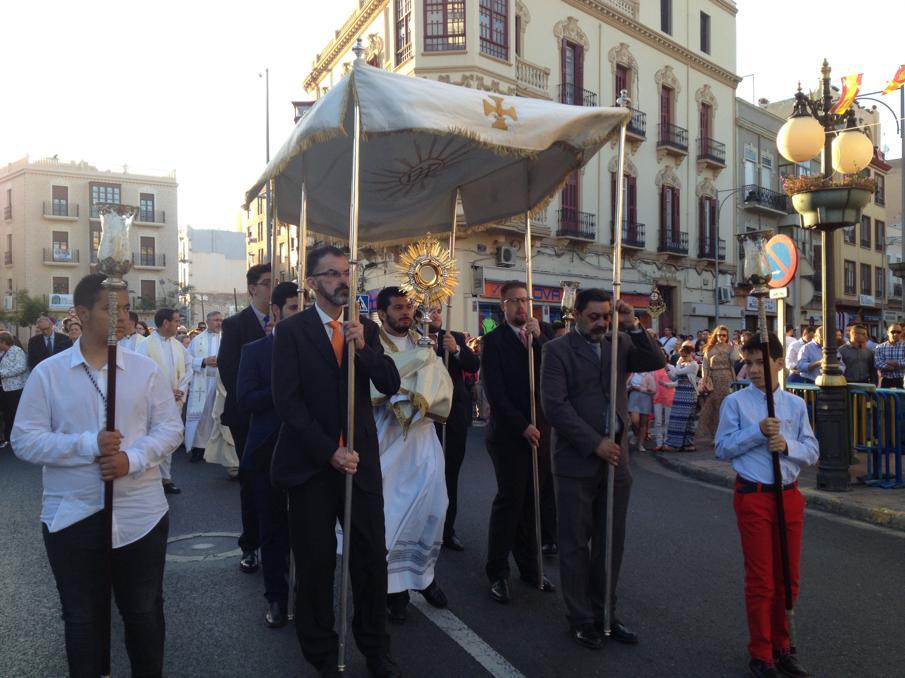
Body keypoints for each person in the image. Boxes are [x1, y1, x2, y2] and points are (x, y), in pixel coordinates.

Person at [12, 273, 183, 678]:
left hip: (141, 515)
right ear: (82, 313)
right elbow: (24, 439)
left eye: (126, 309)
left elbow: (170, 428)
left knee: (144, 613)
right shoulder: (49, 374)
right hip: (72, 516)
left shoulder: (144, 371)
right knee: (82, 618)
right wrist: (88, 445)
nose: (123, 317)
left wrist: (132, 459)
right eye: (112, 309)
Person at [270, 246, 401, 678]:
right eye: (331, 274)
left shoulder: (364, 328)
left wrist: (364, 348)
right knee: (316, 562)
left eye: (346, 272)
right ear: (311, 283)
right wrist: (329, 450)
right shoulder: (292, 332)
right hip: (312, 465)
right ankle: (322, 654)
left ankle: (375, 648)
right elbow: (287, 403)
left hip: (360, 463)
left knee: (371, 559)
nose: (343, 279)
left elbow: (389, 382)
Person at [540, 289, 664, 650]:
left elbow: (654, 360)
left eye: (607, 317)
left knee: (611, 542)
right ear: (577, 314)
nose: (602, 324)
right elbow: (555, 406)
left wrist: (633, 323)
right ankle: (580, 618)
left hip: (616, 461)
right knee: (575, 543)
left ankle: (605, 612)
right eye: (594, 317)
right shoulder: (557, 350)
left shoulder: (619, 342)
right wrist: (594, 442)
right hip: (576, 460)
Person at [715, 332, 818, 678]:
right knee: (762, 580)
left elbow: (811, 451)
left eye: (761, 362)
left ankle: (782, 645)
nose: (754, 369)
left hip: (788, 496)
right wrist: (756, 432)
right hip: (754, 495)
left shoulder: (795, 405)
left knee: (789, 578)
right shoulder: (736, 403)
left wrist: (786, 446)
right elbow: (722, 448)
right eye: (749, 362)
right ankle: (761, 653)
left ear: (778, 363)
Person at [374, 289, 453, 624]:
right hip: (389, 439)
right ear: (382, 313)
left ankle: (424, 575)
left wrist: (428, 397)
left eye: (408, 306)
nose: (405, 312)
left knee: (434, 509)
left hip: (423, 440)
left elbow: (442, 383)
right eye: (397, 307)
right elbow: (372, 387)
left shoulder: (424, 342)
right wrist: (403, 395)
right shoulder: (374, 346)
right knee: (393, 515)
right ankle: (394, 591)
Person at [482, 280, 556, 604]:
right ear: (503, 306)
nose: (521, 306)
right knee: (510, 500)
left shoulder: (542, 336)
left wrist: (540, 340)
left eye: (525, 300)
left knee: (532, 502)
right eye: (514, 301)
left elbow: (555, 371)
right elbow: (496, 393)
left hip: (541, 433)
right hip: (509, 434)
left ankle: (530, 567)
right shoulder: (493, 341)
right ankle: (497, 571)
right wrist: (522, 425)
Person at [236, 282, 300, 629]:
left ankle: (305, 593)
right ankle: (276, 596)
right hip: (266, 453)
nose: (299, 315)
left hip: (307, 452)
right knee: (273, 530)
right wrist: (282, 390)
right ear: (275, 310)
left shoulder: (314, 350)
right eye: (293, 308)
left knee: (307, 530)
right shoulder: (255, 351)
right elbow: (245, 399)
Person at [218, 263, 271, 574]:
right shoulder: (236, 324)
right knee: (251, 482)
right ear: (252, 288)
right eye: (267, 283)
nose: (272, 288)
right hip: (248, 416)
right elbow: (229, 370)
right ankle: (250, 545)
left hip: (281, 417)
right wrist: (258, 398)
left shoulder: (289, 322)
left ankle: (280, 543)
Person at [426, 303, 480, 552]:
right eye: (429, 310)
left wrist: (456, 350)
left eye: (438, 310)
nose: (435, 315)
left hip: (452, 416)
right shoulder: (412, 337)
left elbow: (473, 365)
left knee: (449, 475)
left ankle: (447, 529)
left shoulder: (454, 337)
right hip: (423, 417)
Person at [136, 308, 192, 495]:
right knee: (152, 438)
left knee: (168, 438)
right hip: (154, 402)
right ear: (166, 323)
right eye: (176, 321)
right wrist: (166, 392)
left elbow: (189, 368)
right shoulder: (145, 346)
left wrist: (181, 389)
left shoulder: (178, 346)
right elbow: (141, 374)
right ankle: (149, 478)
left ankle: (166, 478)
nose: (178, 325)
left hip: (174, 400)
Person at [185, 311, 223, 463]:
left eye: (221, 320)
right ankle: (199, 449)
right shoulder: (197, 340)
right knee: (202, 417)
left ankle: (217, 450)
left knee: (218, 416)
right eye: (216, 320)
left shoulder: (226, 338)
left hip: (221, 382)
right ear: (207, 321)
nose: (219, 323)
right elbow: (188, 360)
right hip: (203, 382)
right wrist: (203, 361)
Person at [698, 325, 740, 436]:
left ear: (727, 336)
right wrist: (705, 380)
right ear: (715, 336)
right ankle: (715, 434)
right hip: (714, 379)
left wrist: (735, 347)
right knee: (716, 407)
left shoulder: (730, 348)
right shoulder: (710, 349)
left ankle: (729, 432)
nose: (722, 337)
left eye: (724, 335)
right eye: (719, 335)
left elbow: (735, 359)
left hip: (728, 379)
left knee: (728, 405)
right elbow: (705, 366)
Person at [663, 344, 700, 452]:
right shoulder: (682, 365)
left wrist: (677, 364)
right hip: (679, 393)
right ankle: (682, 444)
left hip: (689, 394)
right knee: (677, 418)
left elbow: (678, 371)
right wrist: (667, 370)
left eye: (684, 355)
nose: (682, 357)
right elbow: (674, 377)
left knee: (685, 420)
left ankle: (682, 444)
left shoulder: (694, 365)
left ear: (690, 354)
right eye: (681, 355)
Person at [0, 331, 28, 449]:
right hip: (3, 388)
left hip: (14, 388)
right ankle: (7, 438)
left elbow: (21, 367)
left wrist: (2, 373)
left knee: (14, 413)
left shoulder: (17, 351)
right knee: (5, 414)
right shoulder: (2, 353)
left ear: (3, 342)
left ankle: (17, 438)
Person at [650, 352, 677, 452]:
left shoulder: (671, 367)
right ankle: (659, 443)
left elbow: (676, 381)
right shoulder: (653, 368)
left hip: (669, 397)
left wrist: (667, 383)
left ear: (666, 356)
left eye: (663, 355)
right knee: (658, 421)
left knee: (667, 422)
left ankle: (666, 442)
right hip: (657, 397)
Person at [626, 371, 655, 452]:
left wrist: (640, 389)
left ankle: (640, 444)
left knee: (643, 423)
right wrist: (630, 388)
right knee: (634, 421)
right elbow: (626, 386)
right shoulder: (633, 374)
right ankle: (636, 434)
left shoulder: (649, 375)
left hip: (645, 399)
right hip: (634, 398)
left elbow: (653, 390)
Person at [875, 323, 905, 388]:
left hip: (901, 380)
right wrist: (888, 367)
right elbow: (877, 363)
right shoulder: (880, 347)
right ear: (888, 332)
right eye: (893, 332)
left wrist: (896, 363)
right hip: (885, 380)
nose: (895, 334)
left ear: (901, 333)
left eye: (898, 332)